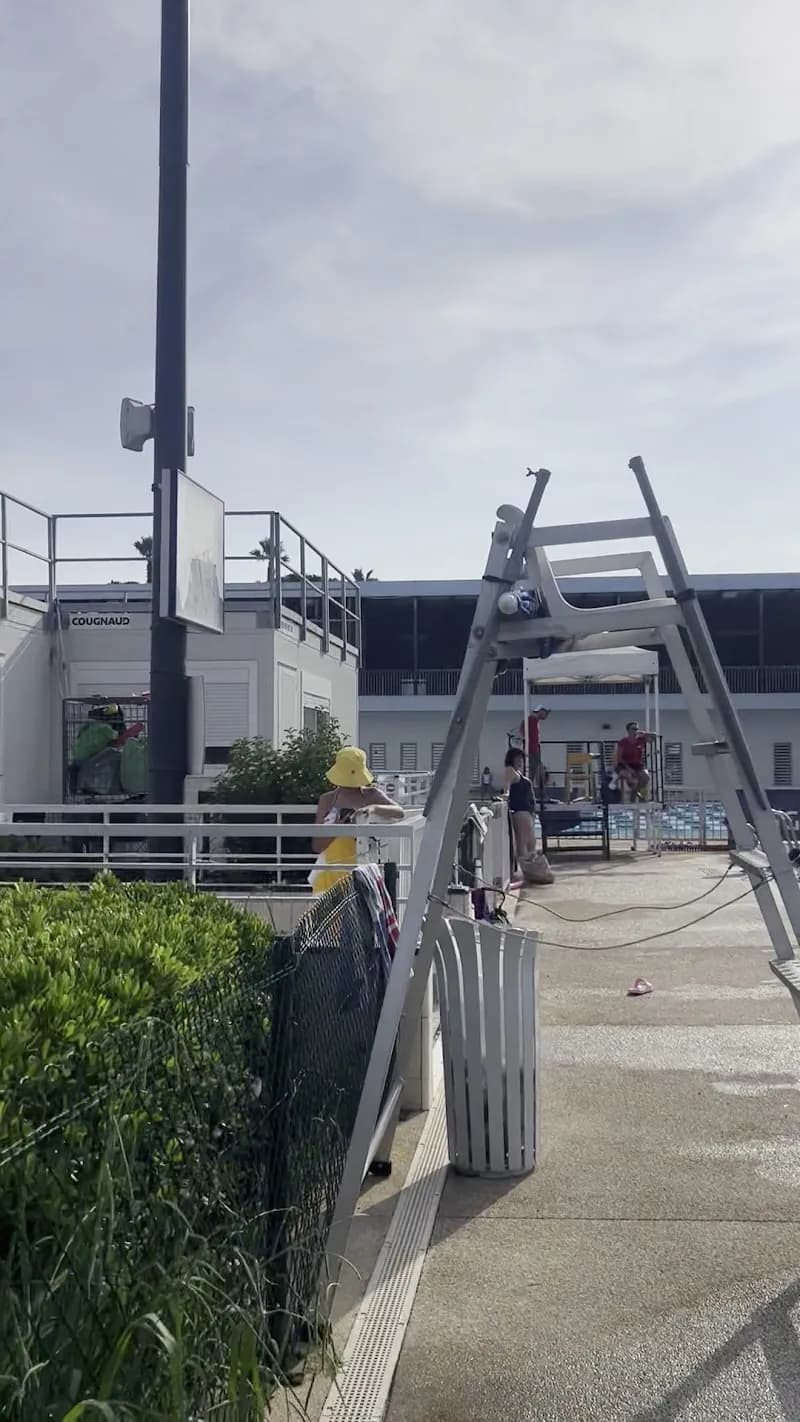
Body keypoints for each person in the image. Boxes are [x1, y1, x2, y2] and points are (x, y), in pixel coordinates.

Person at [311, 746, 404, 894]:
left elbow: (399, 812)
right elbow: (317, 845)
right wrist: (336, 828)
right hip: (331, 869)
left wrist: (374, 809)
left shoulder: (372, 795)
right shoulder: (327, 800)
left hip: (363, 866)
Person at [504, 747, 553, 884]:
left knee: (531, 844)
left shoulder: (517, 772)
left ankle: (531, 873)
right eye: (518, 758)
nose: (520, 761)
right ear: (511, 758)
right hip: (521, 813)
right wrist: (504, 796)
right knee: (524, 844)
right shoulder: (510, 770)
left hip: (527, 813)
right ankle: (529, 874)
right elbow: (506, 788)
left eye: (522, 758)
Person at [614, 720, 656, 801]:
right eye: (633, 729)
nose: (635, 731)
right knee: (630, 777)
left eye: (637, 729)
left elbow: (654, 736)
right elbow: (619, 758)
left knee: (646, 778)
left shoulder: (641, 739)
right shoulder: (623, 742)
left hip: (637, 765)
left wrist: (644, 733)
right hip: (624, 764)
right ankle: (634, 795)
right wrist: (628, 769)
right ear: (628, 730)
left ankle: (634, 793)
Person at [517, 704, 549, 780]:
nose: (545, 716)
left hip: (534, 746)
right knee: (531, 768)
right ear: (540, 711)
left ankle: (531, 785)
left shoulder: (535, 720)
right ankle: (527, 785)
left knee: (536, 767)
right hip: (530, 747)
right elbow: (521, 729)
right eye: (544, 713)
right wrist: (524, 739)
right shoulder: (530, 719)